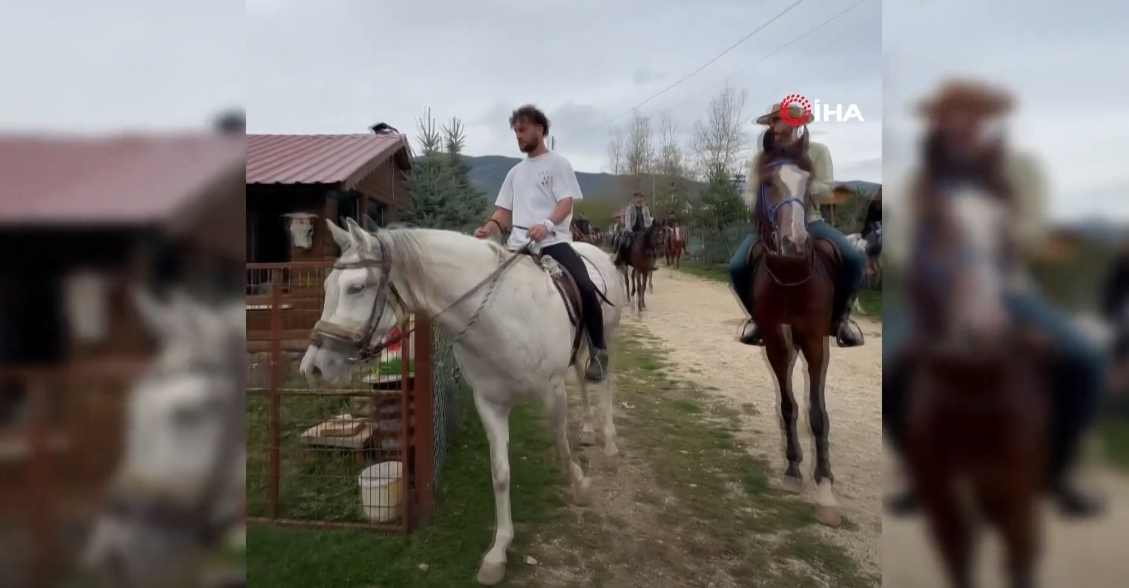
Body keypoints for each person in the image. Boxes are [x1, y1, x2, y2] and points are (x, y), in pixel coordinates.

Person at [883, 79, 1105, 517]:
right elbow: (900, 240)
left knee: (1085, 359)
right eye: (948, 113)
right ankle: (919, 471)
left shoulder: (1018, 169)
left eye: (967, 112)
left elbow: (1034, 229)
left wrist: (981, 241)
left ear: (982, 118)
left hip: (1007, 288)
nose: (957, 120)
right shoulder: (920, 178)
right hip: (937, 295)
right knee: (889, 369)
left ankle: (1056, 472)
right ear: (938, 120)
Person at [473, 104, 609, 382]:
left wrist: (546, 225)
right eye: (515, 132)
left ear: (540, 129)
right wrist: (489, 228)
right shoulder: (514, 173)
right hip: (517, 246)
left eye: (522, 130)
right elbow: (504, 212)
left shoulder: (558, 164)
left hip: (553, 243)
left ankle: (598, 351)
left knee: (584, 286)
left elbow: (565, 201)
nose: (518, 137)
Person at [728, 102, 866, 347]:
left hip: (810, 222)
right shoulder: (762, 158)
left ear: (794, 123)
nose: (772, 125)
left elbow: (827, 190)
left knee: (854, 259)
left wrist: (798, 185)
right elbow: (749, 193)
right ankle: (758, 319)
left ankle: (841, 320)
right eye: (770, 121)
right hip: (771, 227)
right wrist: (759, 207)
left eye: (776, 120)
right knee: (736, 267)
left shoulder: (818, 151)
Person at [614, 192, 655, 268]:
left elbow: (649, 221)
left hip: (643, 231)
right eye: (637, 198)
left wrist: (648, 229)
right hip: (633, 230)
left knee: (652, 243)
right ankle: (620, 259)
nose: (639, 199)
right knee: (623, 242)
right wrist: (630, 231)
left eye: (640, 198)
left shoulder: (646, 209)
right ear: (634, 199)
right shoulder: (629, 209)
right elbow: (627, 221)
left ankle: (651, 261)